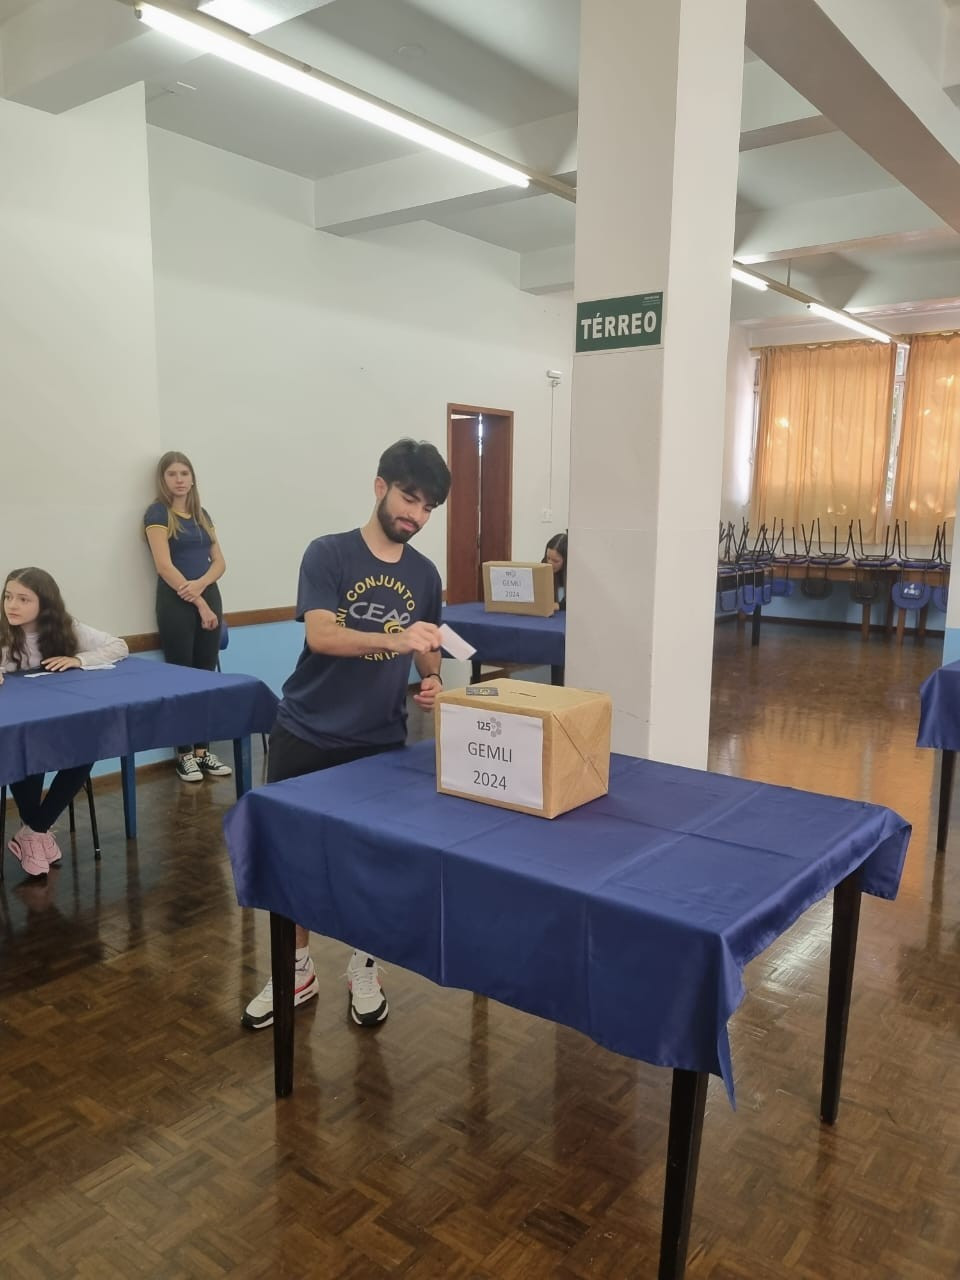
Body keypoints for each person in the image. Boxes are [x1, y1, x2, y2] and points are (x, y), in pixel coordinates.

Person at [242, 438, 451, 1032]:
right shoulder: (328, 553)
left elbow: (427, 646)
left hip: (378, 741)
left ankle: (365, 966)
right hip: (305, 730)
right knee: (290, 860)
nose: (416, 515)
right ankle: (297, 968)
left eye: (428, 507)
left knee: (372, 865)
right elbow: (322, 635)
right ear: (380, 486)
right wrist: (395, 639)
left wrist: (432, 677)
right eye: (409, 498)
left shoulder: (425, 574)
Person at [0, 567, 129, 876]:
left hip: (58, 722)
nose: (12, 605)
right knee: (27, 750)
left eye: (23, 599)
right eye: (7, 597)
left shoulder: (66, 627)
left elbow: (119, 646)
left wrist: (79, 659)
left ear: (44, 603)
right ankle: (37, 833)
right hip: (16, 729)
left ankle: (33, 831)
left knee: (88, 747)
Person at [144, 451, 232, 784]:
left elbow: (219, 561)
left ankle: (202, 750)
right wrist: (198, 601)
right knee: (182, 680)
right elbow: (164, 566)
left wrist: (202, 585)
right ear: (163, 480)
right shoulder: (157, 513)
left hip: (206, 593)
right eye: (172, 474)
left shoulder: (201, 514)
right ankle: (184, 755)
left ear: (192, 478)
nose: (179, 479)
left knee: (205, 678)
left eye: (184, 473)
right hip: (176, 601)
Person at [543, 531, 567, 610]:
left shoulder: (574, 574)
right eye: (548, 558)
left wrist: (559, 606)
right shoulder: (543, 565)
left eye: (555, 561)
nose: (550, 563)